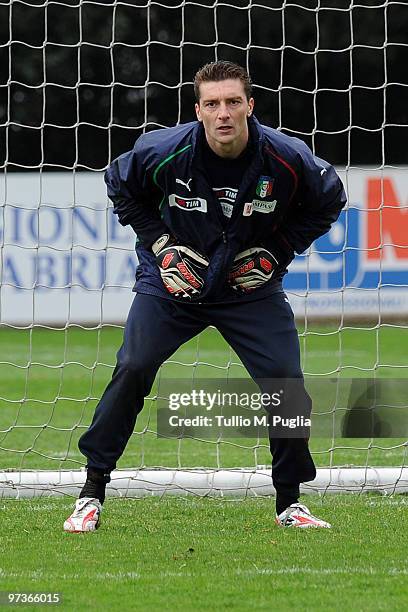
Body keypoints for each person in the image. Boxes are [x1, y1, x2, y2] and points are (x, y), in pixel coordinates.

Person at [63, 61, 346, 533]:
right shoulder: (163, 150)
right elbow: (120, 185)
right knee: (133, 365)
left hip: (248, 290)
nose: (223, 113)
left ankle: (290, 503)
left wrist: (277, 251)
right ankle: (91, 491)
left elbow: (330, 199)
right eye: (212, 104)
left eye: (233, 102)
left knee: (286, 382)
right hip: (172, 285)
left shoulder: (286, 156)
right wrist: (160, 246)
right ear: (198, 111)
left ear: (250, 106)